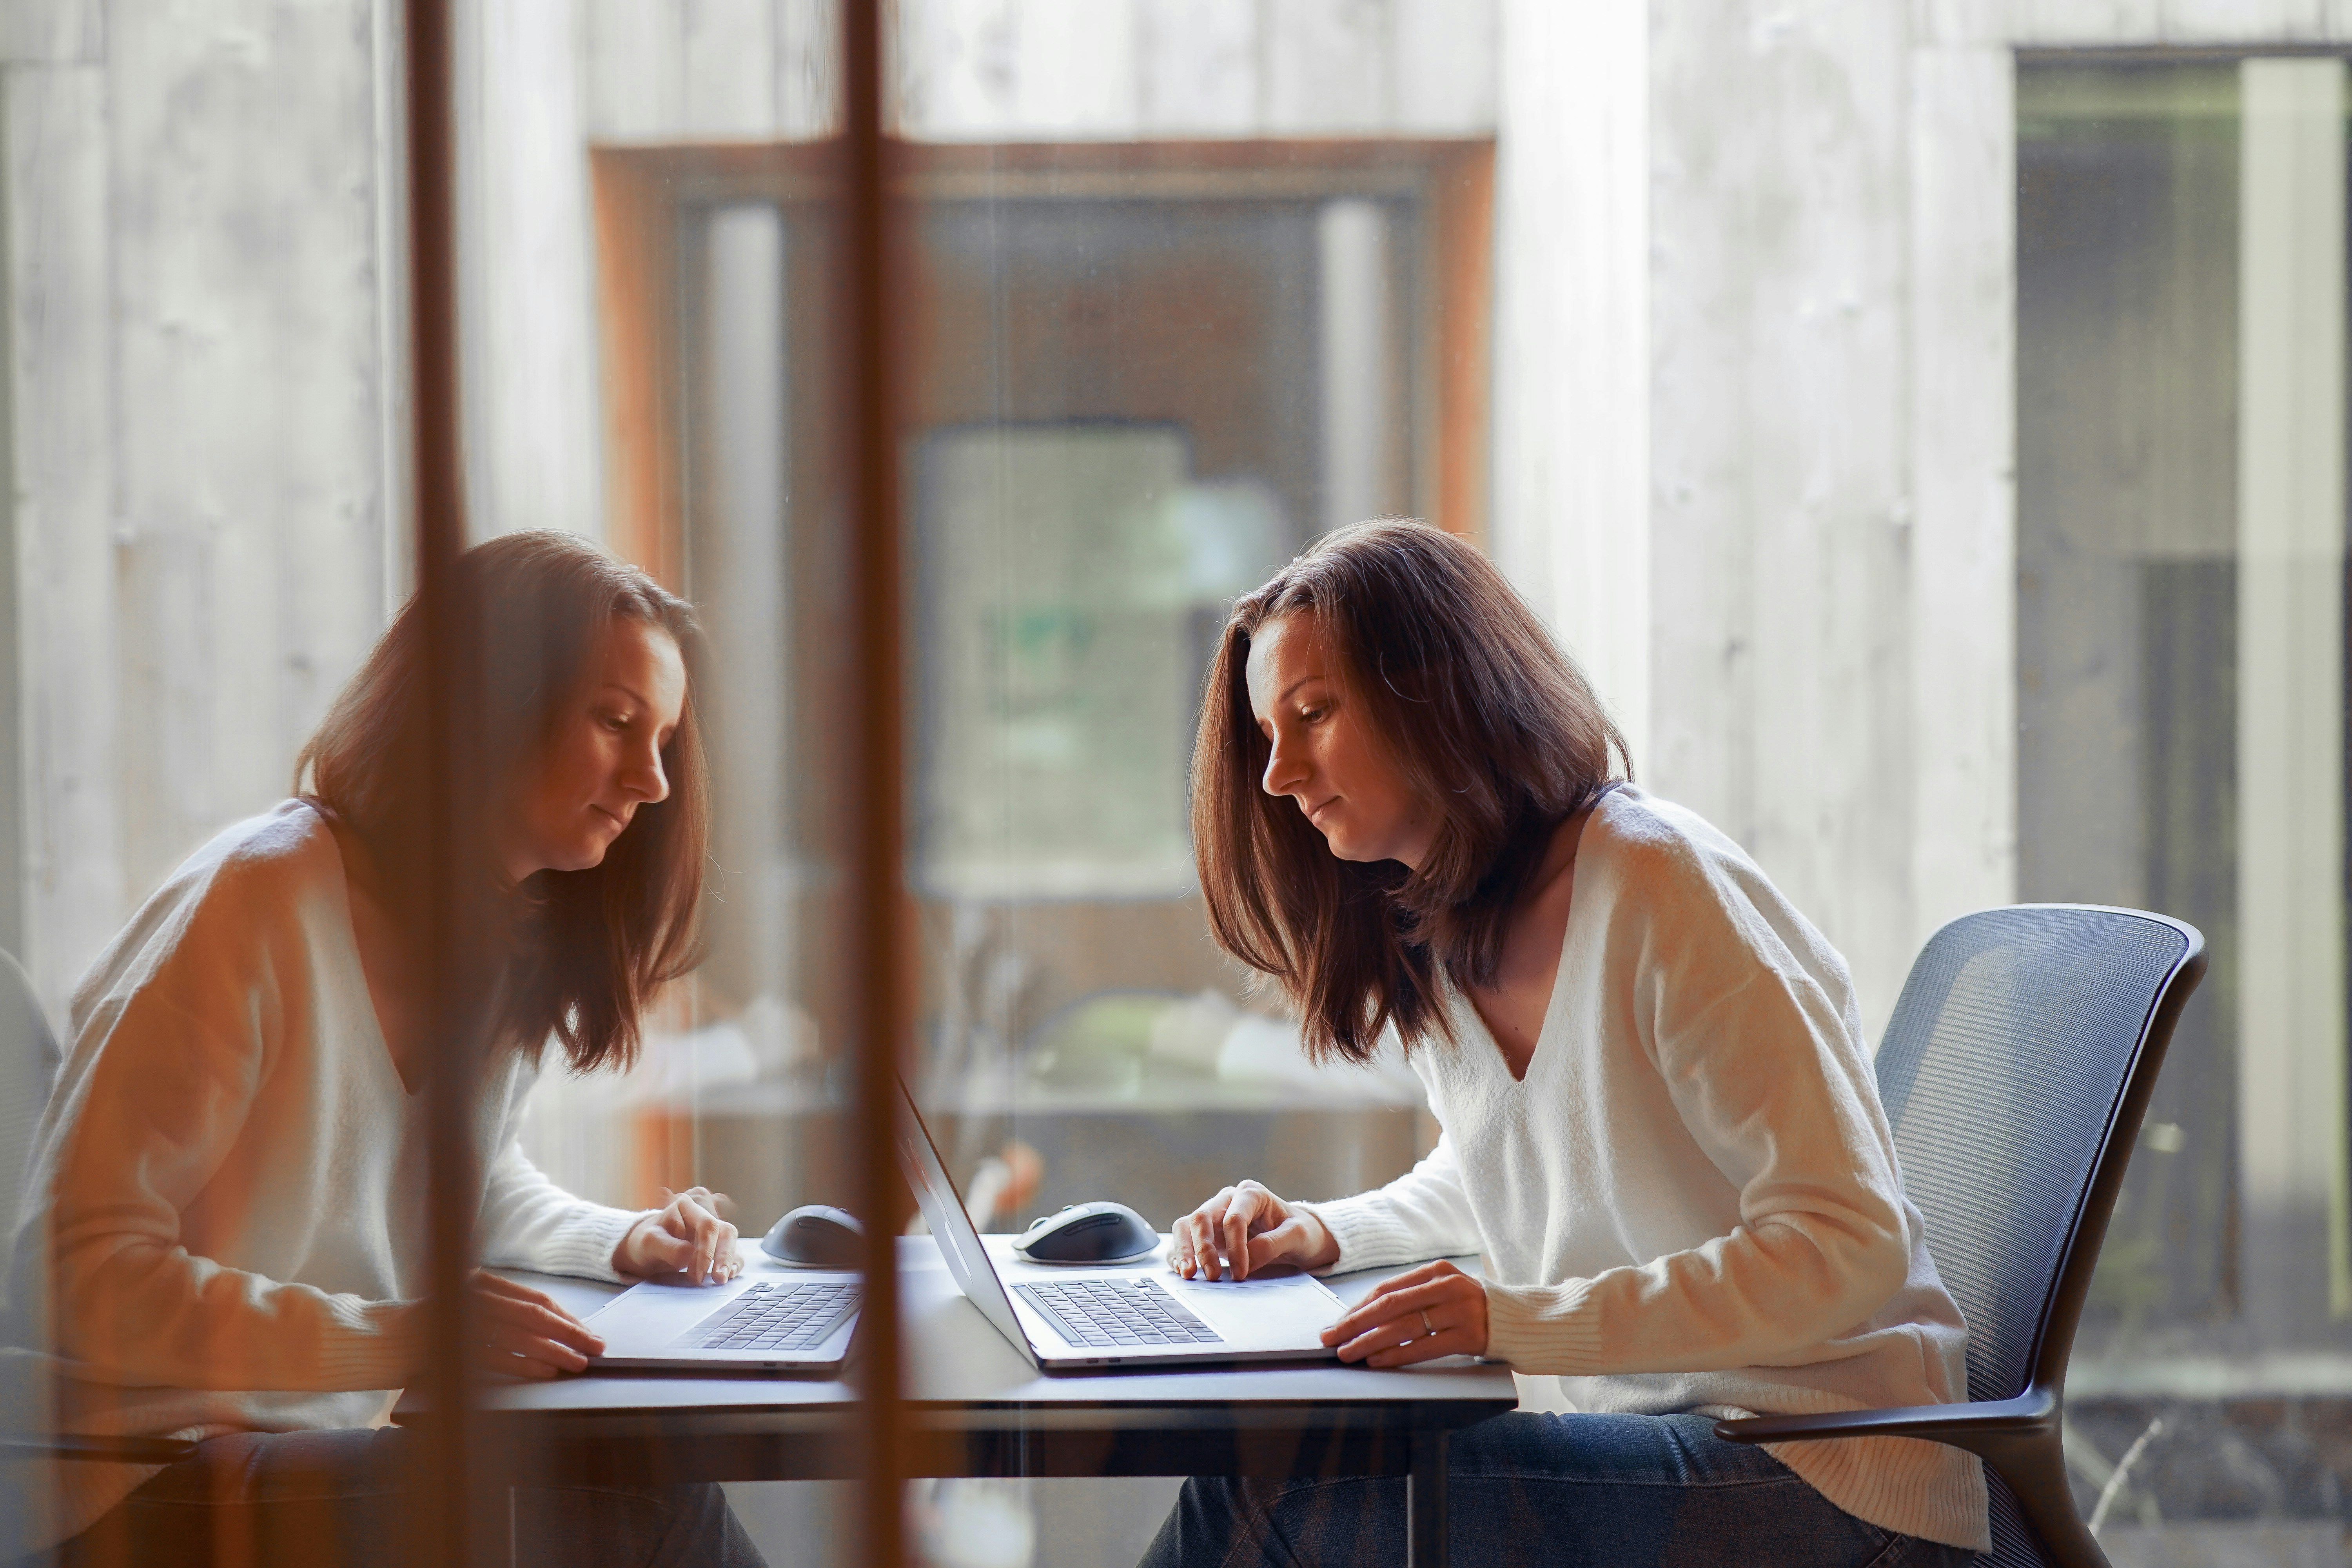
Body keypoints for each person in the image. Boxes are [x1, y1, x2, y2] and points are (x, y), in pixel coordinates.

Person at [1147, 521, 1989, 1567]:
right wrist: (1323, 1234)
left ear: (1438, 693)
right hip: (1669, 1442)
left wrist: (1509, 1319)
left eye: (1313, 713)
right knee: (1285, 1472)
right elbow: (1521, 1170)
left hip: (1831, 1472)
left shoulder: (1659, 885)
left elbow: (1847, 1243)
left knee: (1270, 1488)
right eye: (1269, 733)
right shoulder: (1444, 926)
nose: (1279, 775)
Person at [10, 532, 763, 1566]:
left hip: (306, 1445)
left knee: (624, 1474)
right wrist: (408, 1335)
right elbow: (75, 1274)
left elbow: (457, 1181)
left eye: (665, 740)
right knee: (636, 1495)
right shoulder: (258, 902)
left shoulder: (498, 937)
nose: (654, 783)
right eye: (616, 722)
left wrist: (622, 1241)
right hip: (133, 1472)